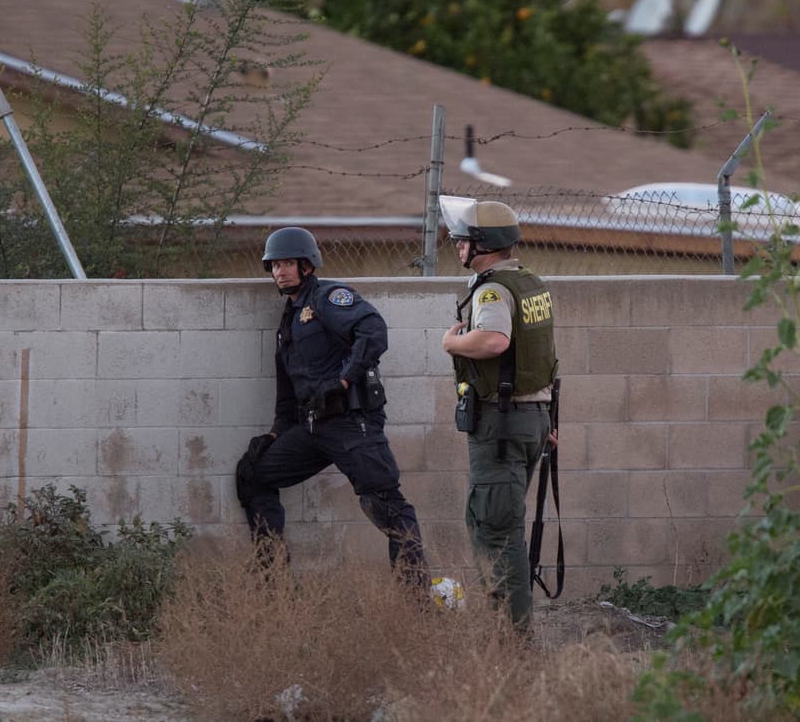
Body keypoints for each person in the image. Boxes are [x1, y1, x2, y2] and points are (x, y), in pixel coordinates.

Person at [235, 226, 428, 587]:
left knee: (386, 505)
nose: (280, 271)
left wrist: (343, 380)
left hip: (351, 424)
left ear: (307, 265)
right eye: (275, 265)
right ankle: (272, 578)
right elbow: (288, 390)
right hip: (312, 428)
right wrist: (277, 432)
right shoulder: (289, 319)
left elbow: (373, 330)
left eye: (288, 263)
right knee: (253, 474)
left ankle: (415, 601)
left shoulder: (328, 298)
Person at [439, 197, 558, 633]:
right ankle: (510, 635)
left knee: (495, 534)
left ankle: (513, 645)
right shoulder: (532, 283)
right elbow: (541, 356)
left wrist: (451, 343)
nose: (457, 246)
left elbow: (494, 342)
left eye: (463, 240)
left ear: (482, 245)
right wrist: (548, 421)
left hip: (502, 425)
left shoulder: (492, 290)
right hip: (532, 419)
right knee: (497, 525)